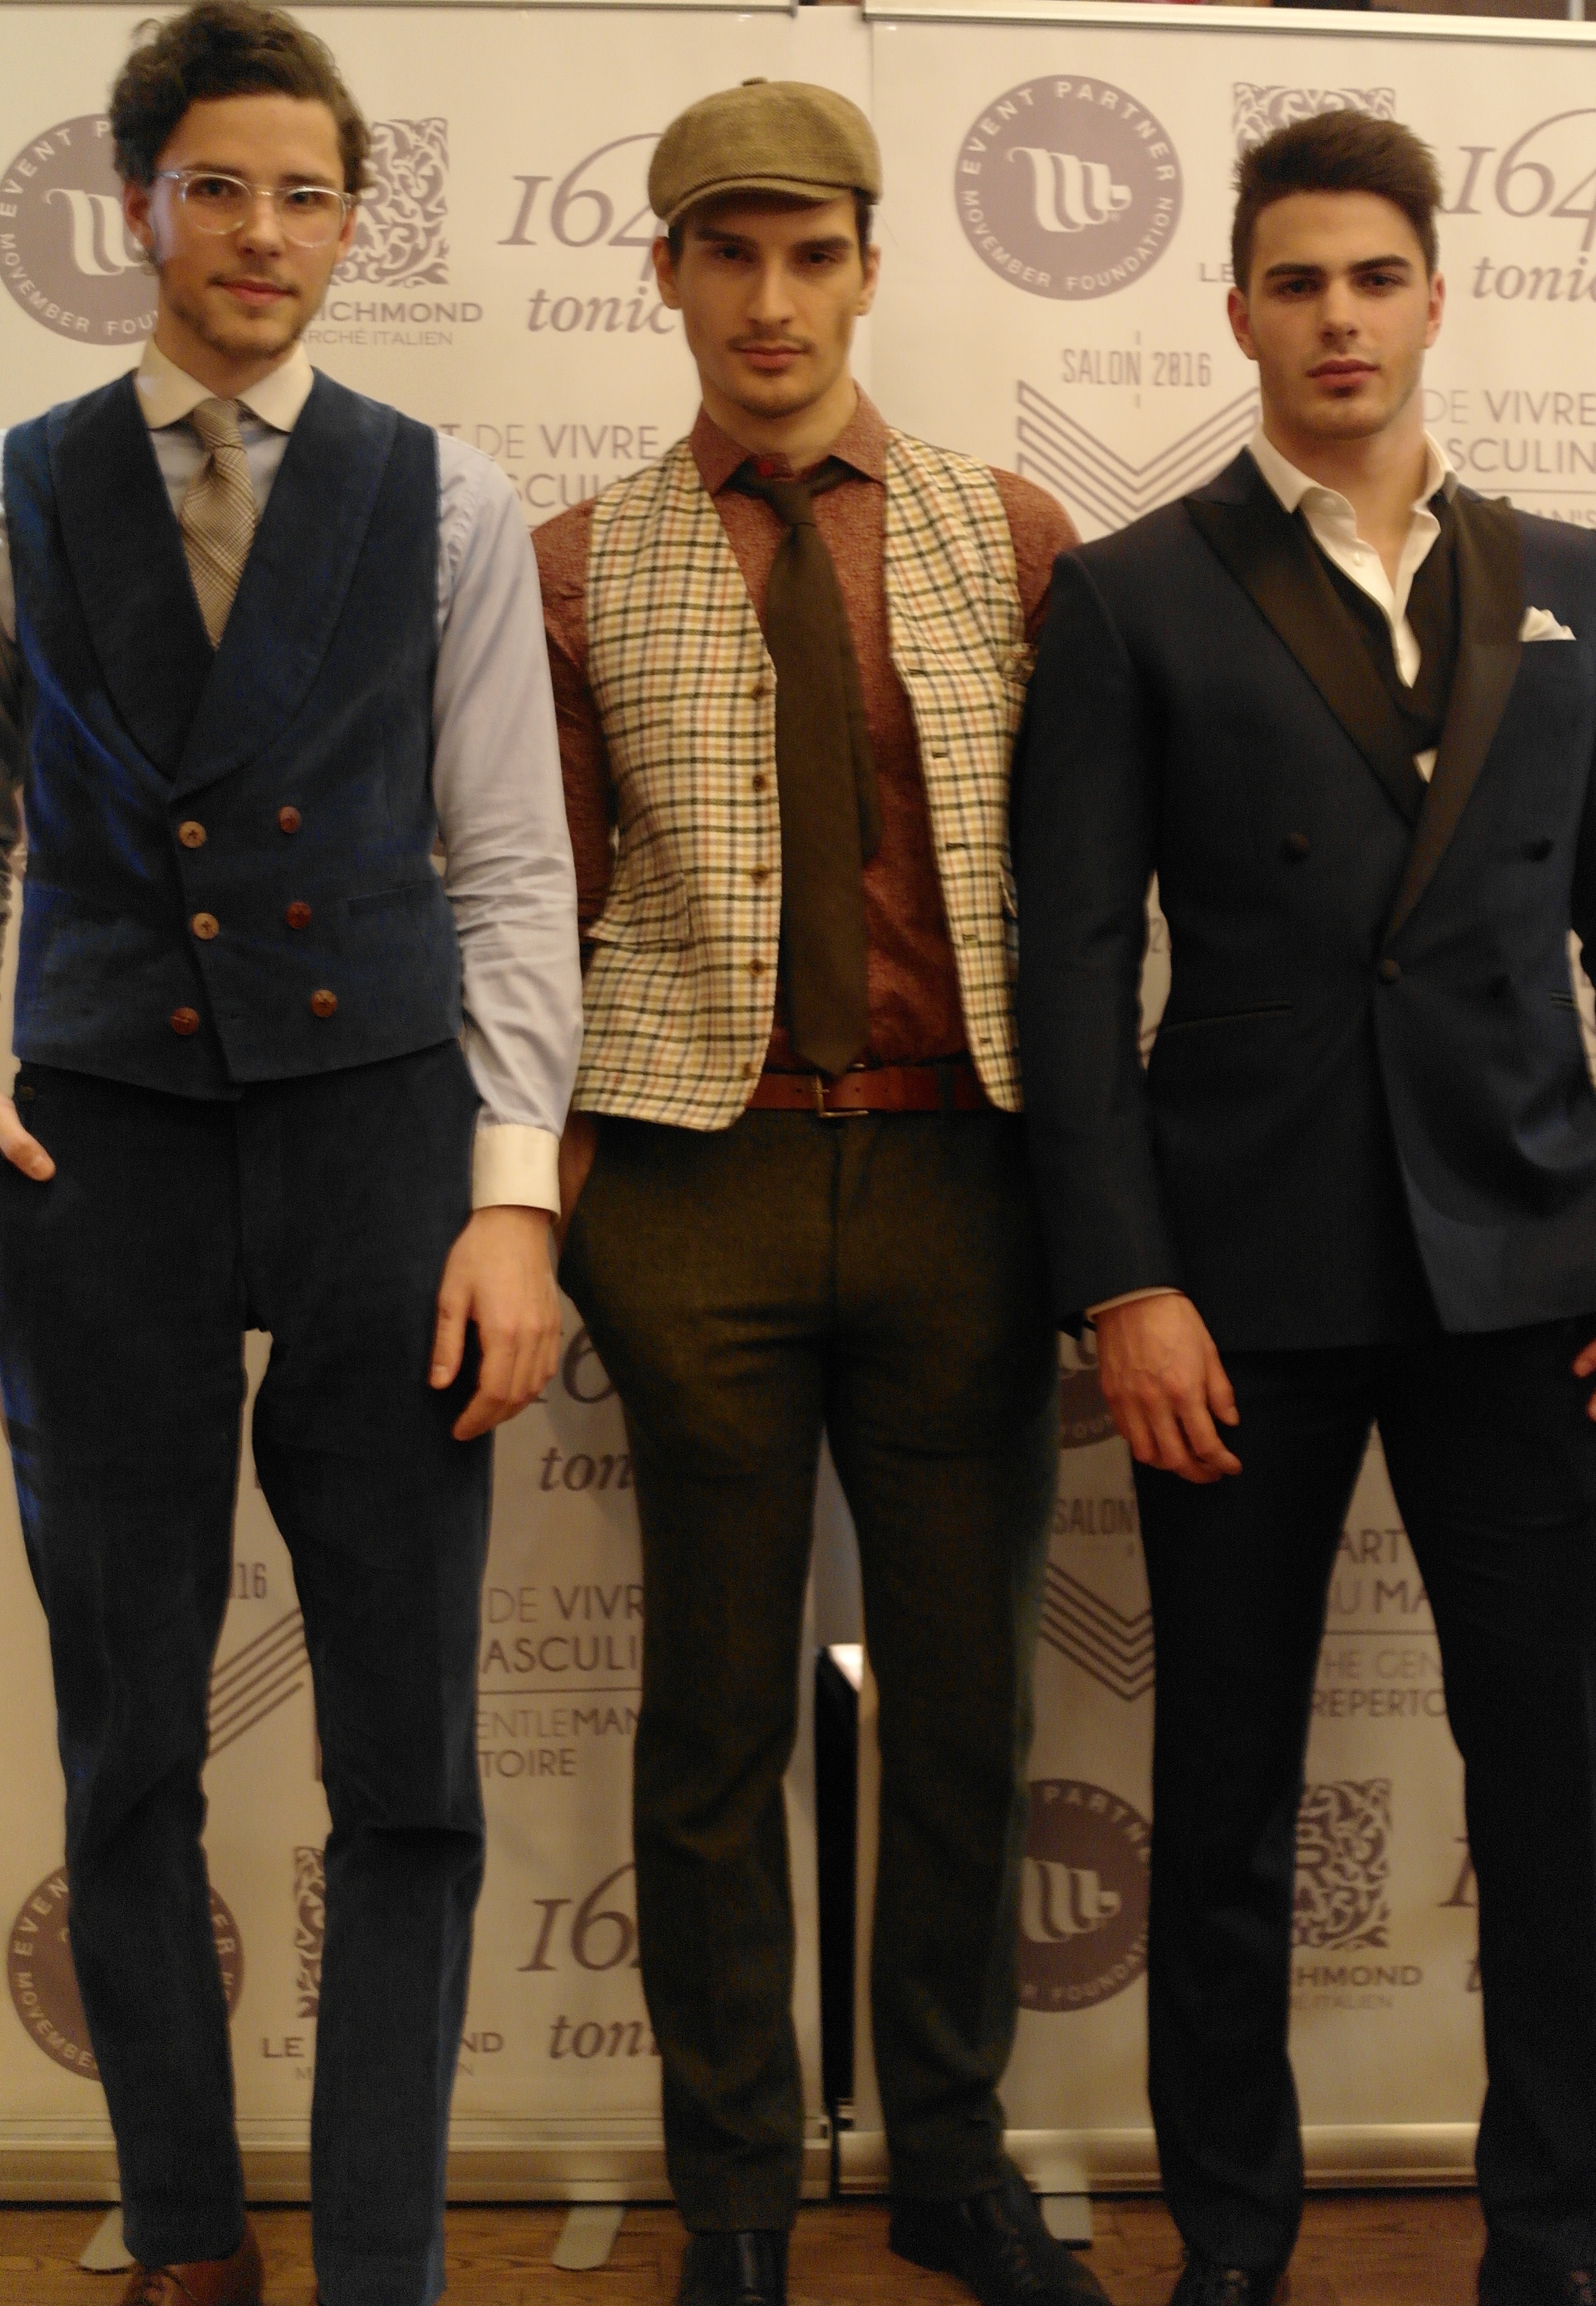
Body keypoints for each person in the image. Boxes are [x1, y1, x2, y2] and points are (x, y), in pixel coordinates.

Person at [0, 5, 581, 2301]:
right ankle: (181, 2229)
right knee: (129, 1733)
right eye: (220, 187)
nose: (264, 232)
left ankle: (379, 2256)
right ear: (136, 204)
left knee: (407, 1748)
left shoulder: (447, 496)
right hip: (95, 1152)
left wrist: (513, 1198)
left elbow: (508, 862)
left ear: (354, 224)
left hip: (379, 1142)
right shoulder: (18, 486)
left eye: (307, 194)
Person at [1014, 108, 1596, 2306]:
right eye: (1295, 283)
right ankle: (1233, 2249)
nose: (1337, 318)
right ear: (1240, 312)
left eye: (1371, 278)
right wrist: (1125, 1282)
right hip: (1236, 1284)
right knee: (1228, 1794)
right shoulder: (1132, 593)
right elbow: (1072, 975)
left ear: (1435, 295)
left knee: (1551, 1788)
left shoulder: (1569, 579)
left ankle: (1550, 2239)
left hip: (1524, 1270)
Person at [536, 77, 1107, 2306]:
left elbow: (1082, 901)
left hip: (967, 1169)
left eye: (809, 253)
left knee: (962, 1706)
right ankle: (738, 2205)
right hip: (698, 1180)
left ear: (868, 268)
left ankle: (950, 2158)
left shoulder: (1011, 534)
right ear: (667, 274)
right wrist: (537, 1204)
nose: (769, 300)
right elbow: (538, 912)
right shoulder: (575, 562)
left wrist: (1106, 1207)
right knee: (709, 1724)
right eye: (726, 253)